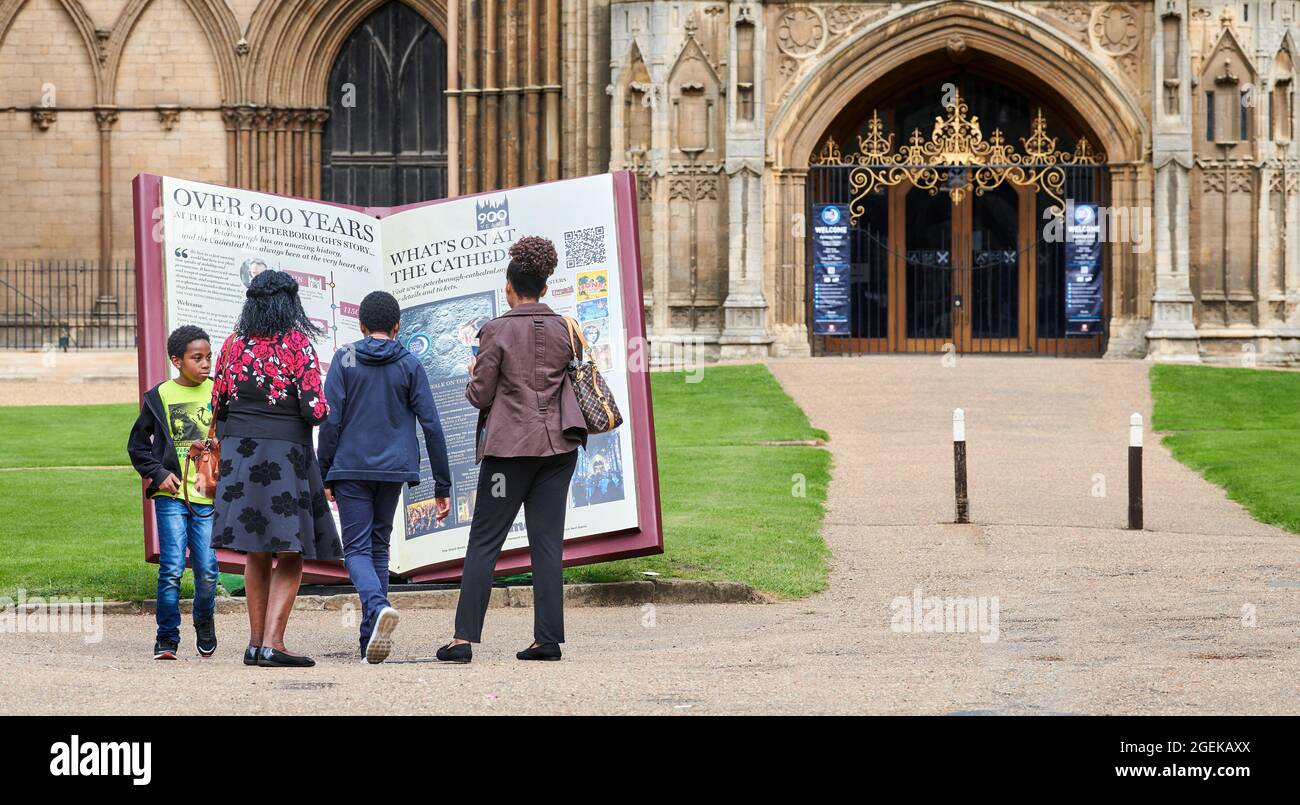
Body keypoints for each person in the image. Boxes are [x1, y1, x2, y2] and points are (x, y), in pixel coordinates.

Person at [436, 235, 587, 664]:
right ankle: (547, 639)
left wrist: (472, 371)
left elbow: (480, 396)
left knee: (485, 541)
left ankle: (463, 638)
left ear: (509, 286)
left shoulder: (496, 330)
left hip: (509, 454)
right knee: (547, 543)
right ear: (543, 286)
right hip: (559, 449)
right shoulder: (566, 328)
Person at [209, 270, 342, 668]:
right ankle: (274, 643)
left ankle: (254, 644)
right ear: (289, 303)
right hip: (286, 455)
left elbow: (218, 403)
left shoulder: (233, 345)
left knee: (256, 549)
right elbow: (313, 409)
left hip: (242, 455)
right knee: (290, 551)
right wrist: (328, 408)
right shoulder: (297, 343)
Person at [317, 290, 453, 664]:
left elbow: (331, 420)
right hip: (393, 469)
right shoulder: (409, 363)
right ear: (397, 326)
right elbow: (432, 425)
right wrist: (442, 484)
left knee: (357, 548)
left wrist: (323, 470)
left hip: (350, 467)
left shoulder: (344, 358)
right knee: (378, 546)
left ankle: (377, 607)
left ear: (361, 325)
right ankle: (368, 640)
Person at [127, 325, 220, 660]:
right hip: (171, 497)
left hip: (206, 495)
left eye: (209, 356)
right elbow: (138, 446)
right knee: (171, 568)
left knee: (208, 567)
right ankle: (167, 637)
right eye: (197, 358)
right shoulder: (159, 396)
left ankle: (204, 619)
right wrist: (159, 473)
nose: (206, 363)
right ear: (177, 360)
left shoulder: (219, 394)